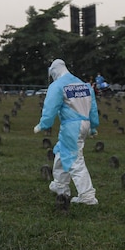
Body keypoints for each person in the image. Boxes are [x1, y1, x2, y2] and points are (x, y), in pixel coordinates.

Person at [34, 59, 100, 205]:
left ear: (54, 71)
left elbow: (50, 107)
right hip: (85, 123)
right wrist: (93, 127)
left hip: (72, 126)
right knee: (61, 152)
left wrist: (43, 124)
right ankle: (60, 185)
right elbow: (93, 108)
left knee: (75, 159)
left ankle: (87, 196)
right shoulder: (84, 85)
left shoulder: (58, 85)